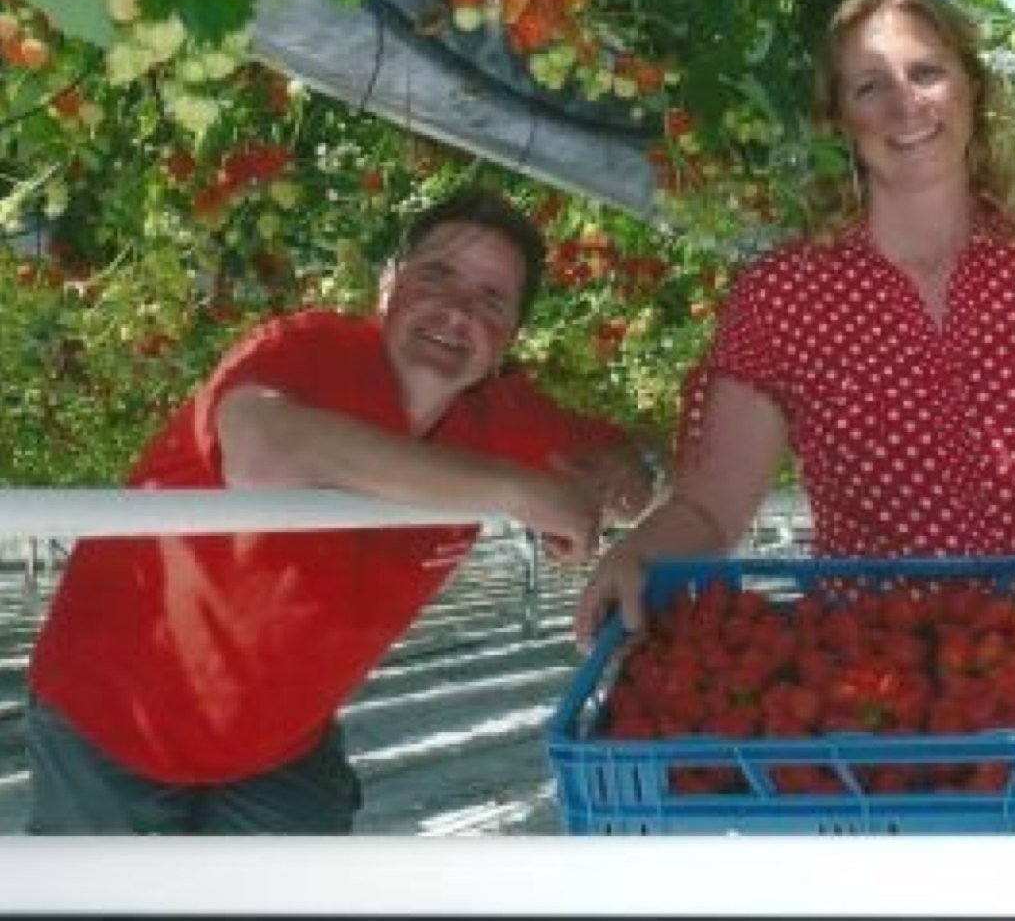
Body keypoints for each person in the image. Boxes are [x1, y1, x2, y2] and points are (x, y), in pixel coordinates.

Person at [575, 0, 1015, 651]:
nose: (905, 105)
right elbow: (709, 508)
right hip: (876, 684)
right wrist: (639, 550)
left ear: (974, 91)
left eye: (926, 72)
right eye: (869, 86)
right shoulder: (783, 296)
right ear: (839, 118)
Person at [25, 186, 656, 833]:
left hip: (277, 742)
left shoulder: (502, 416)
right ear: (387, 286)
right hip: (113, 715)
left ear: (509, 342)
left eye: (490, 299)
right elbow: (263, 454)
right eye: (435, 275)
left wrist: (627, 473)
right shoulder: (305, 348)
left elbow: (630, 465)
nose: (455, 309)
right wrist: (514, 490)